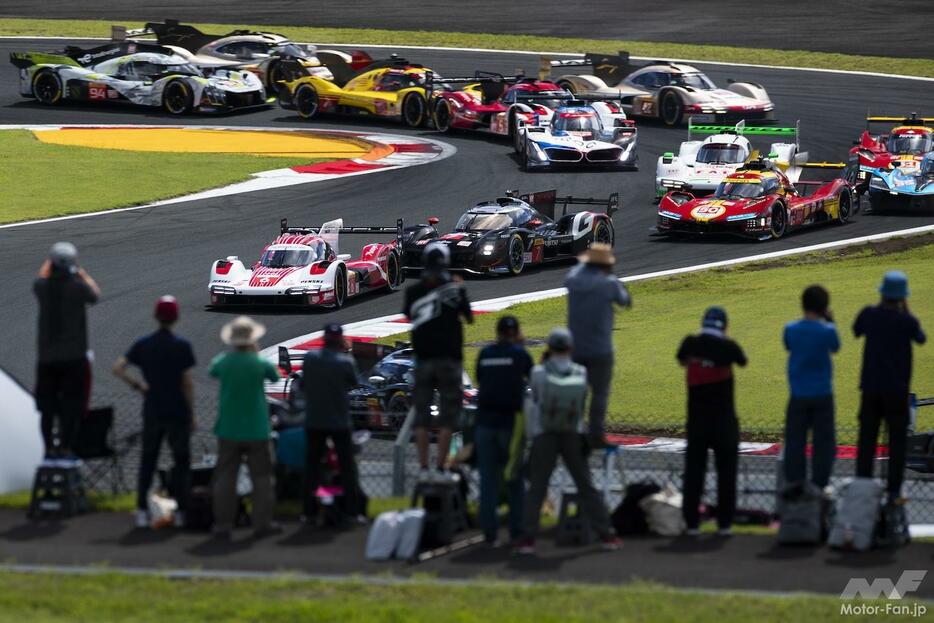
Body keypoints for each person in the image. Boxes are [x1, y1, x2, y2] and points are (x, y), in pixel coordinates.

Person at [514, 328, 621, 555]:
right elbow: (581, 403)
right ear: (571, 348)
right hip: (572, 432)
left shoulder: (539, 372)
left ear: (549, 348)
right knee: (586, 485)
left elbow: (534, 401)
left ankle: (527, 540)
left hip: (546, 433)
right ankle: (607, 534)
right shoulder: (580, 372)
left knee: (537, 488)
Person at [113, 296, 196, 529]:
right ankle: (181, 511)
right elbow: (187, 383)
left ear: (156, 317)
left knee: (147, 461)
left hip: (153, 408)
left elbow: (117, 368)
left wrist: (139, 386)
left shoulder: (144, 343)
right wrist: (192, 413)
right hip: (177, 409)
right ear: (176, 317)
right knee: (181, 462)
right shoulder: (182, 345)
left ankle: (141, 511)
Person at [853, 271, 926, 502]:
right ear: (903, 297)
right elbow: (921, 338)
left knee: (867, 440)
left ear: (883, 293)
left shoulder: (869, 314)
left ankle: (863, 484)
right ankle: (894, 490)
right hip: (896, 391)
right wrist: (907, 310)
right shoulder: (907, 321)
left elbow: (856, 330)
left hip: (871, 389)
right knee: (897, 443)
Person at [403, 242, 473, 481]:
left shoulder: (413, 292)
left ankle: (424, 469)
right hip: (449, 361)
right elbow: (470, 318)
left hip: (423, 360)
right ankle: (441, 467)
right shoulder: (456, 290)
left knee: (421, 418)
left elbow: (409, 314)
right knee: (448, 417)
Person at [208, 316, 281, 539]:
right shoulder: (259, 362)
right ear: (252, 339)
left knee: (226, 478)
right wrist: (254, 352)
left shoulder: (223, 361)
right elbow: (275, 376)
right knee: (262, 477)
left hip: (228, 427)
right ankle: (262, 524)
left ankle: (223, 525)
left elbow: (213, 372)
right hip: (257, 428)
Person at [677, 307, 747, 536]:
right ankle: (724, 524)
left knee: (694, 473)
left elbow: (680, 358)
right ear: (724, 326)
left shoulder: (690, 344)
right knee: (726, 475)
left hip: (697, 422)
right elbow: (742, 360)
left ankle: (692, 523)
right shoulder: (728, 347)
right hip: (724, 422)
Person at [34, 242, 100, 464]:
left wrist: (51, 262)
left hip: (47, 358)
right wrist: (80, 271)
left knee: (47, 408)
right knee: (71, 407)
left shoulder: (42, 287)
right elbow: (95, 295)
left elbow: (41, 276)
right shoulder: (78, 287)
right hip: (74, 357)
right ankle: (64, 449)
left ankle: (48, 450)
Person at [474, 315, 533, 546]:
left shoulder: (485, 354)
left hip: (485, 422)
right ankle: (517, 531)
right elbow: (533, 376)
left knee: (487, 480)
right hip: (509, 423)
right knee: (515, 479)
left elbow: (480, 379)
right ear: (516, 332)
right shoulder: (519, 354)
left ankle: (490, 533)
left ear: (497, 332)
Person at [565, 243, 631, 448]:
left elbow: (571, 278)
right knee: (600, 394)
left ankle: (573, 433)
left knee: (576, 393)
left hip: (575, 347)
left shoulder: (573, 278)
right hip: (600, 348)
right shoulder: (609, 283)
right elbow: (625, 301)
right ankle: (595, 435)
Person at [300, 323, 362, 525]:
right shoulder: (345, 361)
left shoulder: (310, 358)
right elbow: (355, 383)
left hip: (314, 419)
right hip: (339, 420)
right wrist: (349, 351)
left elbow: (303, 384)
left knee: (312, 467)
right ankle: (352, 511)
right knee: (347, 467)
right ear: (340, 341)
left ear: (324, 339)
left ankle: (309, 512)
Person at [783, 285, 840, 489]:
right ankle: (820, 485)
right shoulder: (828, 331)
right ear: (824, 307)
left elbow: (788, 345)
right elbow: (835, 347)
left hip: (798, 394)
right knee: (823, 443)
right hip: (822, 395)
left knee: (795, 442)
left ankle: (795, 484)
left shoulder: (791, 329)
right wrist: (830, 321)